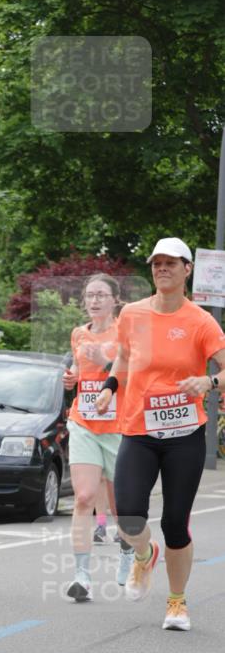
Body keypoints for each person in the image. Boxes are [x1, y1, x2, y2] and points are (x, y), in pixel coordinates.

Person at [95, 237, 225, 630]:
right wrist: (109, 387)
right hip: (139, 430)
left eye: (171, 263)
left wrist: (208, 382)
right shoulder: (132, 314)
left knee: (175, 522)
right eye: (157, 263)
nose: (162, 269)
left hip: (184, 435)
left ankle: (177, 602)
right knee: (128, 517)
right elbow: (123, 357)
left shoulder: (200, 321)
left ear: (187, 270)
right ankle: (143, 554)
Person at [63, 273, 134, 601]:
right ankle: (82, 576)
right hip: (84, 423)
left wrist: (104, 362)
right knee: (84, 497)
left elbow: (132, 378)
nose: (94, 300)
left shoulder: (125, 332)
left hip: (118, 427)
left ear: (115, 299)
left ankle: (128, 554)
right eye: (90, 295)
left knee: (122, 507)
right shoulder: (79, 333)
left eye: (101, 295)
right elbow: (80, 373)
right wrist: (72, 378)